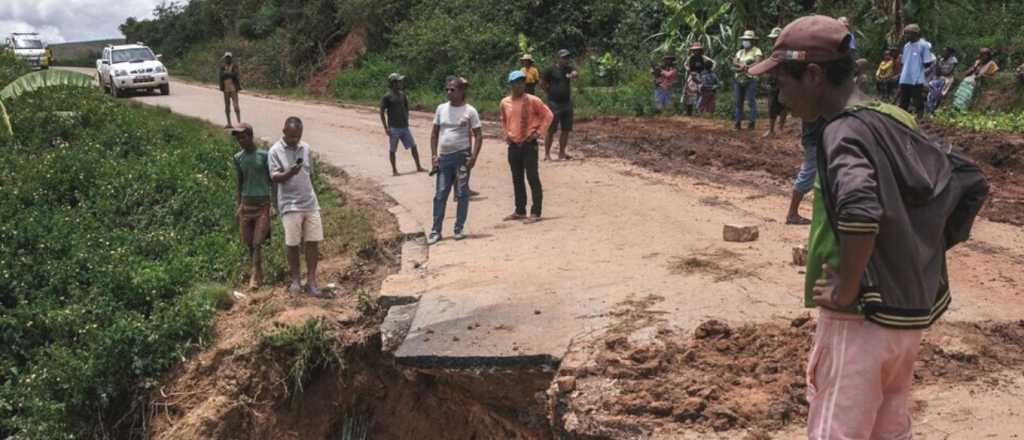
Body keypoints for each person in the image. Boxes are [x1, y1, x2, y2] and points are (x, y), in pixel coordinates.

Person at [750, 15, 979, 439]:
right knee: (888, 426)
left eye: (781, 83)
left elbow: (859, 208)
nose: (778, 95)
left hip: (859, 315)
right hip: (905, 315)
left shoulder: (841, 132)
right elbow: (955, 182)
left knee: (838, 427)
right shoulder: (893, 116)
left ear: (814, 75)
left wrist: (846, 286)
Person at [268, 117, 323, 295]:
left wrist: (313, 195)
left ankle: (312, 281)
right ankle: (296, 280)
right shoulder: (275, 151)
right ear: (284, 131)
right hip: (290, 204)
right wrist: (289, 173)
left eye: (297, 136)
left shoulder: (305, 148)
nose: (294, 140)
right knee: (292, 244)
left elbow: (310, 174)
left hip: (310, 202)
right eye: (291, 136)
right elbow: (274, 178)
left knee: (312, 242)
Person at [428, 77, 482, 245]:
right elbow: (434, 133)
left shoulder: (470, 111)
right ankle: (436, 231)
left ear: (461, 91)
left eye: (453, 90)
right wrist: (433, 155)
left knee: (462, 194)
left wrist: (473, 156)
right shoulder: (441, 109)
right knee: (440, 194)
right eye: (447, 89)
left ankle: (458, 228)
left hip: (462, 157)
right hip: (444, 158)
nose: (449, 92)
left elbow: (478, 134)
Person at [500, 71, 553, 224]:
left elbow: (548, 115)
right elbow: (504, 120)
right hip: (514, 145)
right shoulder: (505, 103)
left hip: (529, 144)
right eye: (516, 82)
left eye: (522, 82)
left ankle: (536, 211)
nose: (520, 85)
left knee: (532, 177)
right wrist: (507, 135)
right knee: (517, 179)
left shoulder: (533, 100)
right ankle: (520, 210)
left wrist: (538, 133)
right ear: (511, 84)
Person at [232, 123, 273, 290]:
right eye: (238, 138)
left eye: (243, 136)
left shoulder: (264, 156)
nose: (241, 140)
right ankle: (258, 270)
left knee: (257, 242)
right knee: (249, 242)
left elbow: (271, 180)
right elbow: (240, 182)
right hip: (247, 204)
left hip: (263, 203)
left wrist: (273, 204)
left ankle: (254, 276)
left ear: (250, 136)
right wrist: (239, 204)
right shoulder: (238, 158)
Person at [380, 72, 425, 176]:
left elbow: (406, 108)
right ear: (393, 83)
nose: (401, 83)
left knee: (413, 146)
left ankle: (418, 166)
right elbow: (382, 112)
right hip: (394, 128)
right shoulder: (387, 97)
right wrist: (386, 128)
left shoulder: (402, 95)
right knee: (392, 150)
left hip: (404, 127)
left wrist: (406, 120)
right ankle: (394, 170)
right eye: (399, 81)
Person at [784, 119, 824, 225]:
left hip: (815, 140)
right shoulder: (818, 104)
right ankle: (792, 213)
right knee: (808, 175)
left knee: (813, 174)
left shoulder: (809, 103)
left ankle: (793, 213)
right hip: (816, 141)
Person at [541, 49, 578, 161]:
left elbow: (575, 74)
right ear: (558, 58)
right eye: (563, 57)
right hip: (554, 103)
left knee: (566, 129)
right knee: (551, 129)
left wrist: (574, 74)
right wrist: (549, 92)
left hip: (566, 103)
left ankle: (562, 153)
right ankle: (547, 154)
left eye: (567, 58)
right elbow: (542, 83)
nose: (566, 60)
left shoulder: (569, 69)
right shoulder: (550, 70)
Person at [897, 24, 931, 117]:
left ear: (915, 34)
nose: (906, 36)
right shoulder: (906, 46)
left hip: (916, 77)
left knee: (917, 98)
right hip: (905, 77)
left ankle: (920, 116)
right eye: (905, 33)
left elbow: (928, 62)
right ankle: (902, 117)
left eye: (908, 33)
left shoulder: (923, 45)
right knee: (904, 99)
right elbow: (904, 62)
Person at [732, 30, 763, 130]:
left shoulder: (756, 50)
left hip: (751, 78)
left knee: (750, 101)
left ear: (752, 41)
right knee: (738, 102)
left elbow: (758, 62)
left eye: (748, 40)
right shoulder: (740, 52)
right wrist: (742, 66)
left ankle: (751, 123)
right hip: (739, 78)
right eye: (745, 39)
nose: (746, 41)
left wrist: (747, 66)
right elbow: (734, 62)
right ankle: (737, 123)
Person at [764, 27, 788, 137]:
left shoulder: (788, 51)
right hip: (772, 81)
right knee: (771, 105)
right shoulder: (771, 51)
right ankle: (771, 129)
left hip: (784, 81)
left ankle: (780, 128)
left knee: (783, 105)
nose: (773, 40)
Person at [685, 42, 717, 114]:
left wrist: (709, 70)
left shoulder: (703, 57)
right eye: (695, 50)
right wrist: (689, 70)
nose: (696, 51)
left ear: (700, 50)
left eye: (698, 50)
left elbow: (713, 62)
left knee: (701, 92)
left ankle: (699, 111)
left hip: (702, 76)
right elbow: (685, 64)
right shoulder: (690, 57)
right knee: (690, 92)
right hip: (692, 75)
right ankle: (689, 111)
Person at [925, 47, 958, 114]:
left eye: (945, 52)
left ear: (949, 53)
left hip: (946, 79)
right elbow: (937, 71)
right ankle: (929, 110)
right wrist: (937, 62)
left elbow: (946, 72)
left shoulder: (953, 61)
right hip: (939, 78)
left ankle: (932, 110)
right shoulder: (941, 59)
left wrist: (939, 67)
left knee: (939, 95)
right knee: (932, 93)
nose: (943, 53)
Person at [219, 52, 242, 129]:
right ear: (225, 58)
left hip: (233, 88)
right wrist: (229, 73)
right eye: (226, 57)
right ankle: (229, 123)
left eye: (229, 57)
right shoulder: (222, 66)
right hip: (225, 88)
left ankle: (239, 123)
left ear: (231, 58)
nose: (228, 59)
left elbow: (235, 74)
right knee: (227, 107)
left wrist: (226, 73)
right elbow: (221, 76)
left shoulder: (234, 65)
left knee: (236, 106)